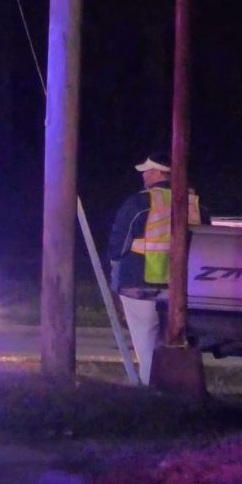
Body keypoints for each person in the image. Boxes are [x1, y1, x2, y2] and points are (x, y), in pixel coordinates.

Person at [108, 152, 208, 385]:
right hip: (182, 289)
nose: (144, 176)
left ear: (158, 173)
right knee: (175, 343)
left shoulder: (139, 203)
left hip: (140, 284)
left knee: (146, 345)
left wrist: (115, 268)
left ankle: (150, 392)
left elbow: (118, 245)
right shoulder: (195, 205)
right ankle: (175, 391)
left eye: (147, 171)